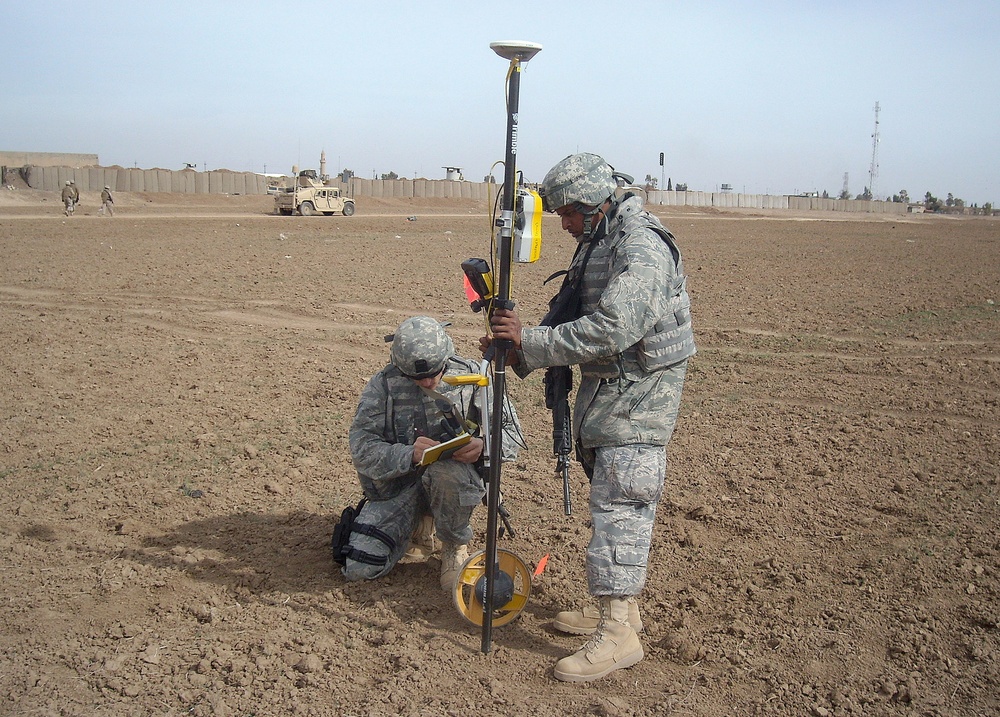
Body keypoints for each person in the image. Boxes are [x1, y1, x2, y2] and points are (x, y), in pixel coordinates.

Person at [484, 152, 696, 682]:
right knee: (609, 499)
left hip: (638, 397)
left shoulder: (641, 246)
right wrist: (522, 346)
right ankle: (620, 610)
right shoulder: (601, 239)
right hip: (610, 391)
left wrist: (530, 342)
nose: (563, 224)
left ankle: (619, 635)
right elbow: (575, 314)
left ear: (592, 203)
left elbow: (611, 329)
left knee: (621, 504)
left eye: (568, 214)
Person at [341, 315, 522, 592]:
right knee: (360, 567)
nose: (427, 382)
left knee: (446, 473)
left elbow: (513, 434)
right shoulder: (383, 386)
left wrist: (484, 446)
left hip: (451, 483)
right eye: (418, 377)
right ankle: (420, 528)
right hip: (398, 488)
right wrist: (408, 454)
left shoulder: (474, 375)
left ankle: (452, 545)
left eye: (434, 373)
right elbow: (362, 449)